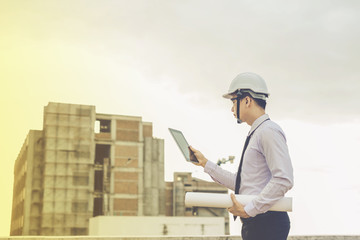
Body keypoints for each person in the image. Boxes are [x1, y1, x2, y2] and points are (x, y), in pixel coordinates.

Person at [189, 72, 294, 240]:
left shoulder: (268, 131)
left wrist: (249, 210)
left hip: (266, 223)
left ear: (247, 100)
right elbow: (242, 184)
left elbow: (284, 179)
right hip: (257, 222)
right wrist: (205, 163)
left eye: (233, 101)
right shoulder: (257, 133)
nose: (231, 108)